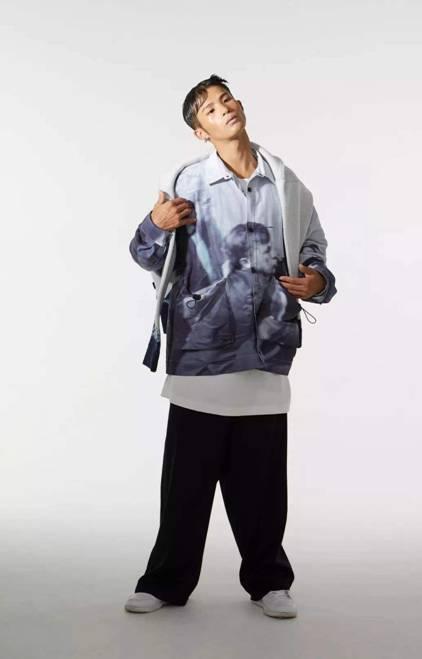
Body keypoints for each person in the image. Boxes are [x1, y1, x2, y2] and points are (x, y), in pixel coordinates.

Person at [125, 74, 337, 619]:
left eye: (226, 100)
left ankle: (270, 582)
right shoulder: (187, 183)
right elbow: (150, 258)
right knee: (185, 485)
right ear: (200, 131)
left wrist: (317, 280)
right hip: (202, 350)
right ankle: (166, 582)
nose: (223, 109)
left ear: (239, 105)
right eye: (210, 109)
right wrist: (155, 223)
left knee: (262, 485)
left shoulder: (287, 184)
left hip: (267, 348)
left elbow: (314, 252)